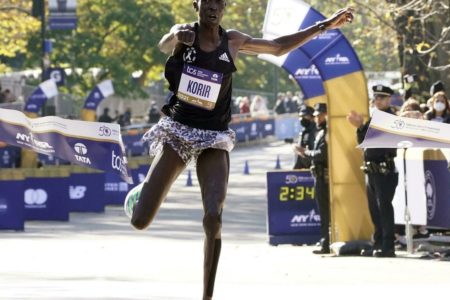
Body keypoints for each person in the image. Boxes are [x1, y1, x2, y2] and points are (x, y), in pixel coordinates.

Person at [129, 1, 354, 298]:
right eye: (206, 1)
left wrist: (324, 25)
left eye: (218, 2)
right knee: (140, 221)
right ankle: (140, 194)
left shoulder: (232, 40)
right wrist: (177, 38)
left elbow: (277, 46)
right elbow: (164, 43)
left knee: (213, 215)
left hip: (214, 136)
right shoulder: (186, 33)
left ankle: (207, 295)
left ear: (223, 7)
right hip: (179, 131)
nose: (212, 7)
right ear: (197, 5)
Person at [347, 84, 398, 258]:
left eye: (381, 98)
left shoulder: (391, 118)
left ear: (389, 99)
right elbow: (364, 143)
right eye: (376, 97)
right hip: (372, 170)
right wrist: (360, 127)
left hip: (384, 169)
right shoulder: (375, 119)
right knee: (374, 210)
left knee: (384, 208)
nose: (377, 101)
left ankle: (388, 246)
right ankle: (377, 243)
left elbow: (381, 145)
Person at [294, 103, 330, 254]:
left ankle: (326, 242)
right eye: (316, 115)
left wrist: (305, 153)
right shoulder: (321, 132)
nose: (317, 118)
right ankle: (324, 241)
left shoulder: (327, 132)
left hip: (325, 176)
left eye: (320, 115)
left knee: (326, 211)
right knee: (322, 211)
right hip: (319, 175)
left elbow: (321, 154)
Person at [293, 105, 316, 169]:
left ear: (312, 117)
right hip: (302, 167)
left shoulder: (315, 131)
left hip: (312, 167)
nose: (302, 119)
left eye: (305, 116)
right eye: (300, 116)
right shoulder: (305, 131)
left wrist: (304, 151)